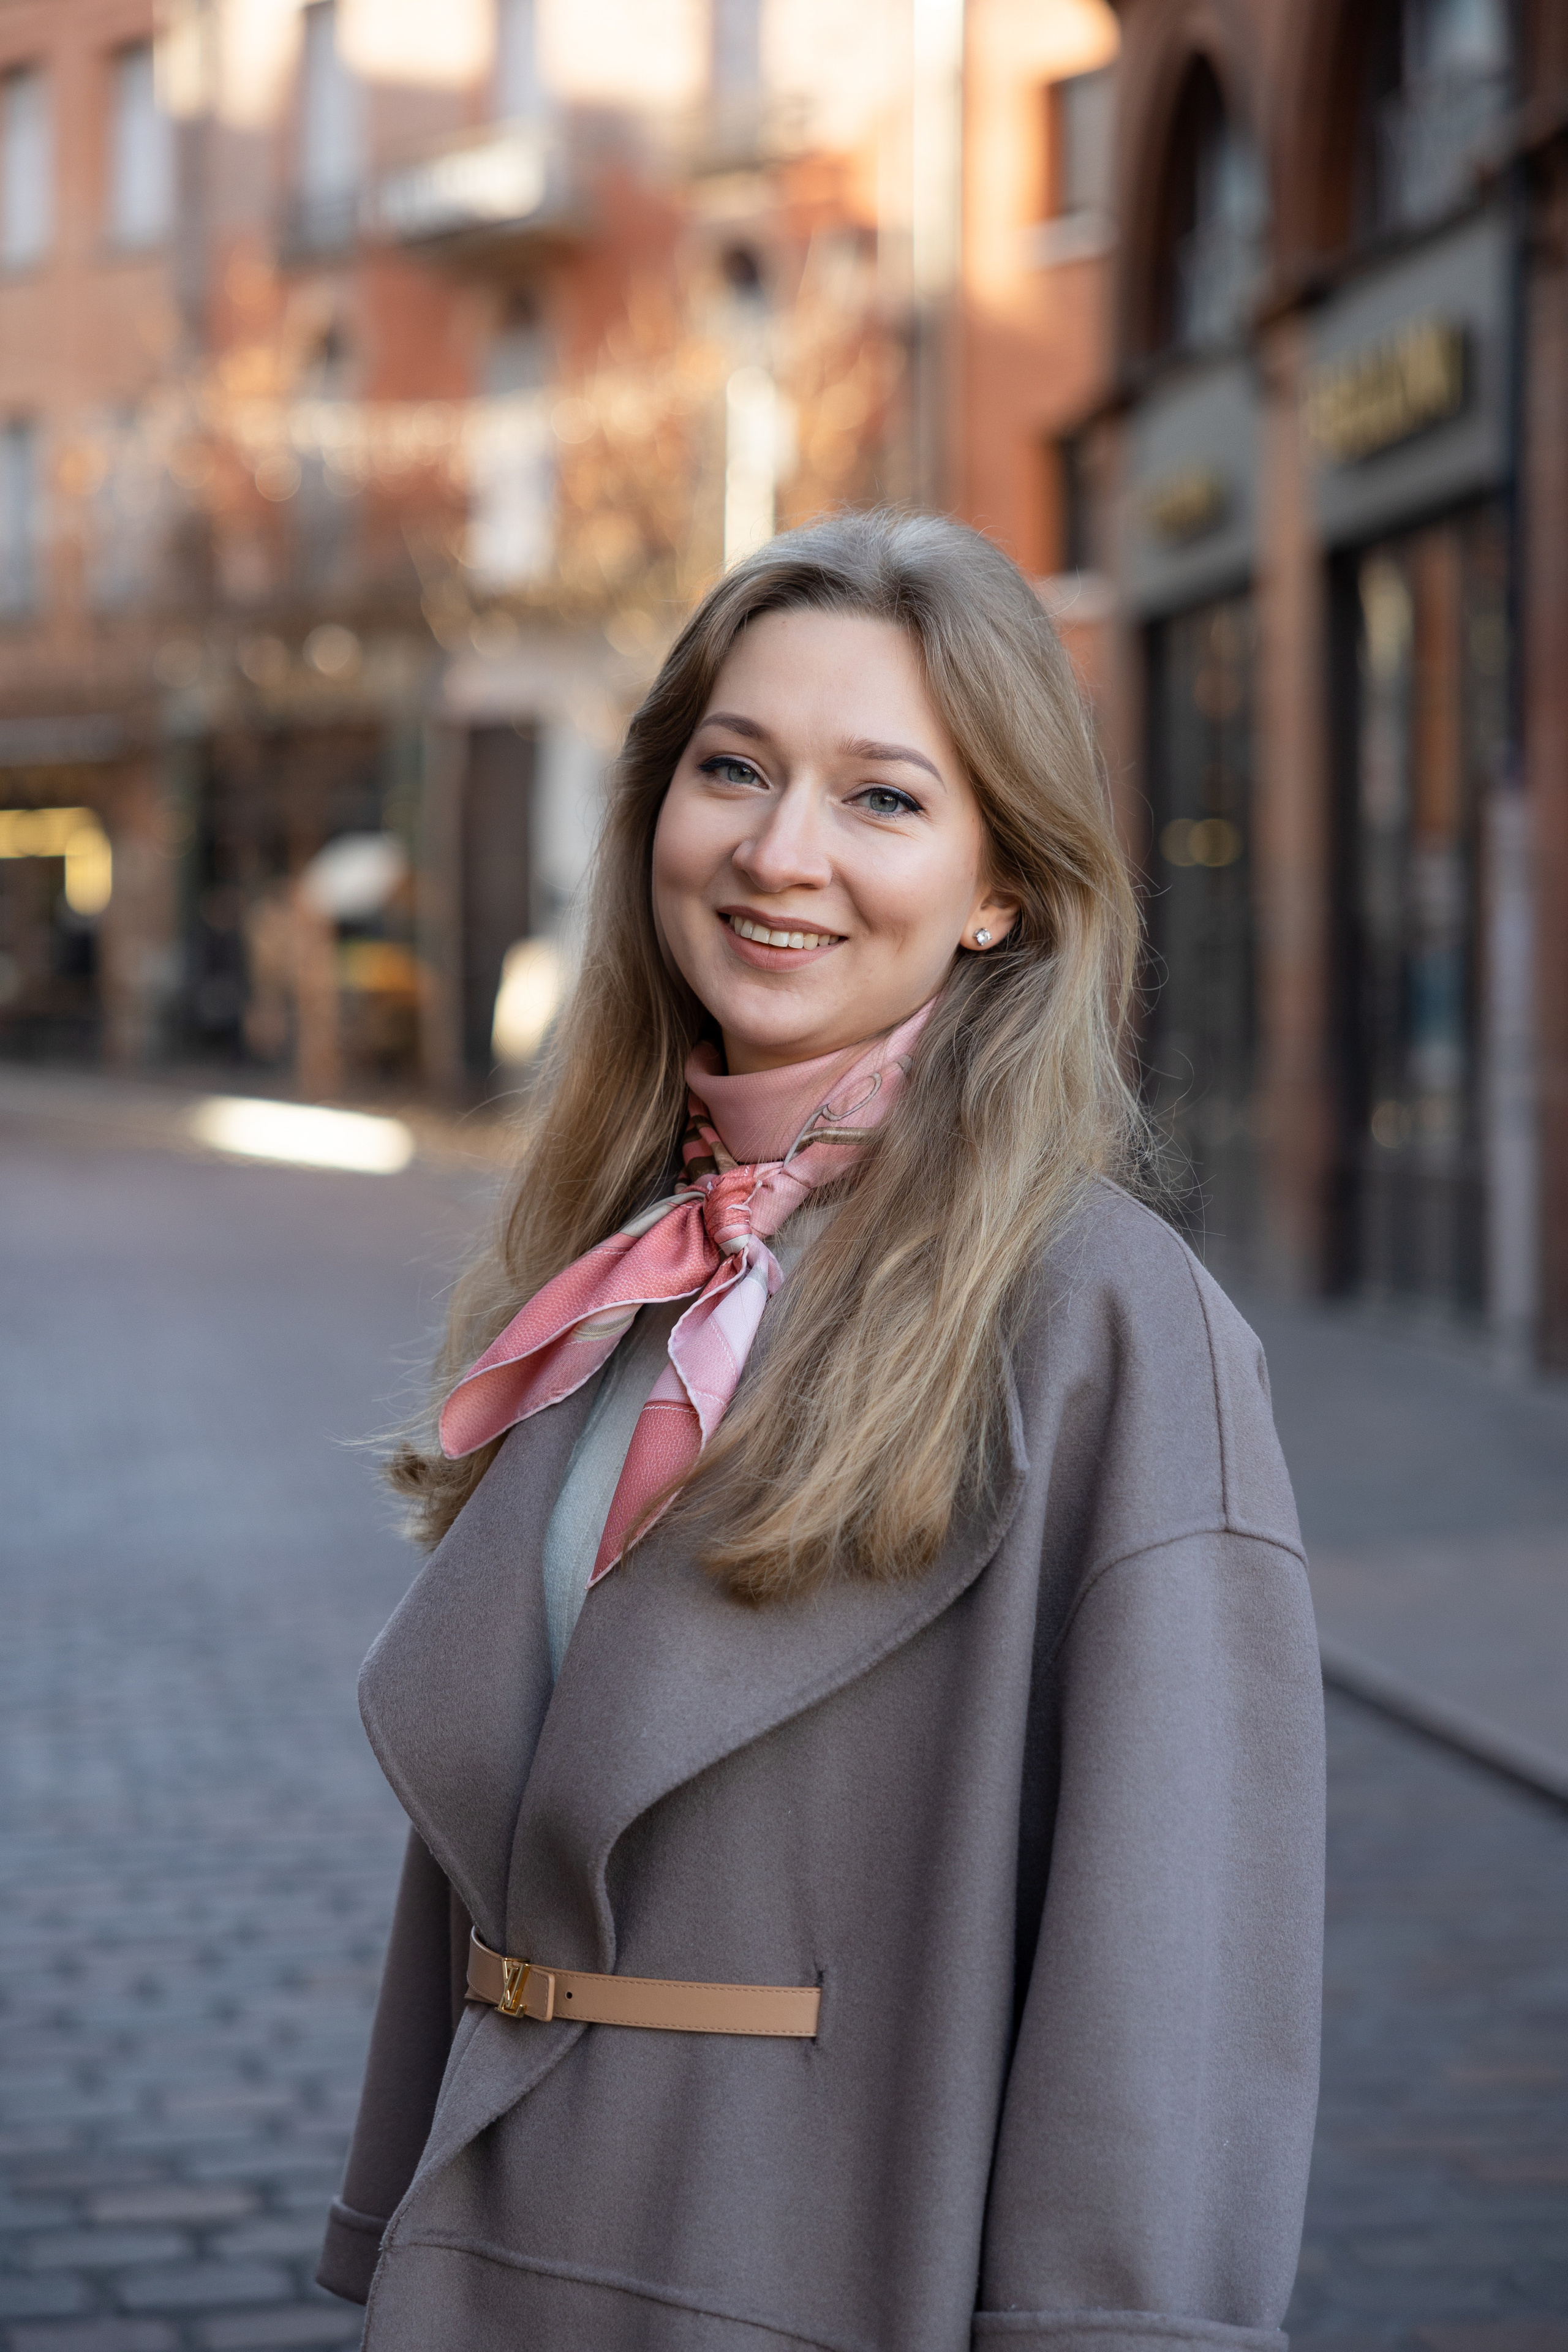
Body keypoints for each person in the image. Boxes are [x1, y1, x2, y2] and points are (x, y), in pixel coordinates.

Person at [317, 510, 1324, 2352]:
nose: (780, 852)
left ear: (1002, 884)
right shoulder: (619, 1258)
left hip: (811, 2282)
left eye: (883, 798)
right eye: (734, 770)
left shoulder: (1110, 1319)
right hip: (504, 2274)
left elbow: (1172, 1974)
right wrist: (395, 2232)